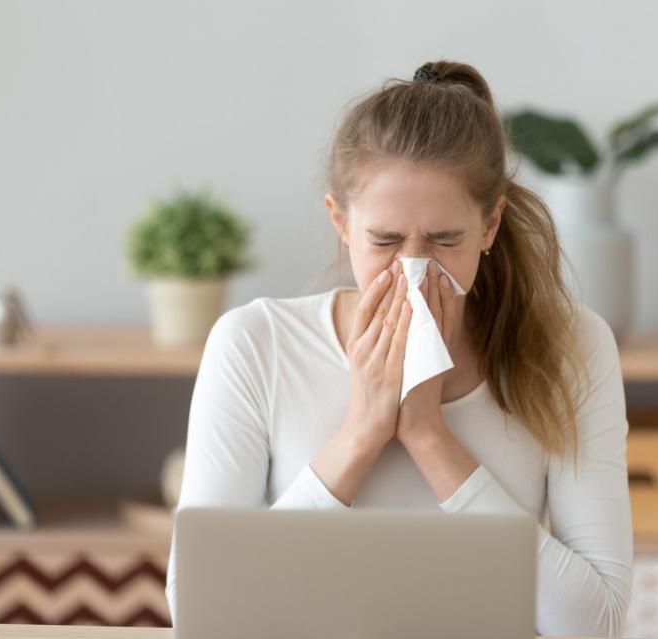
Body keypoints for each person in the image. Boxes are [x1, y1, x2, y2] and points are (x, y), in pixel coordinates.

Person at [165, 60, 633, 638]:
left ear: (490, 225)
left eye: (445, 240)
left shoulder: (571, 347)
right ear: (340, 221)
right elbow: (202, 614)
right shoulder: (256, 345)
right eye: (384, 240)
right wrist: (362, 431)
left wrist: (430, 437)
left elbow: (598, 623)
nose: (413, 267)